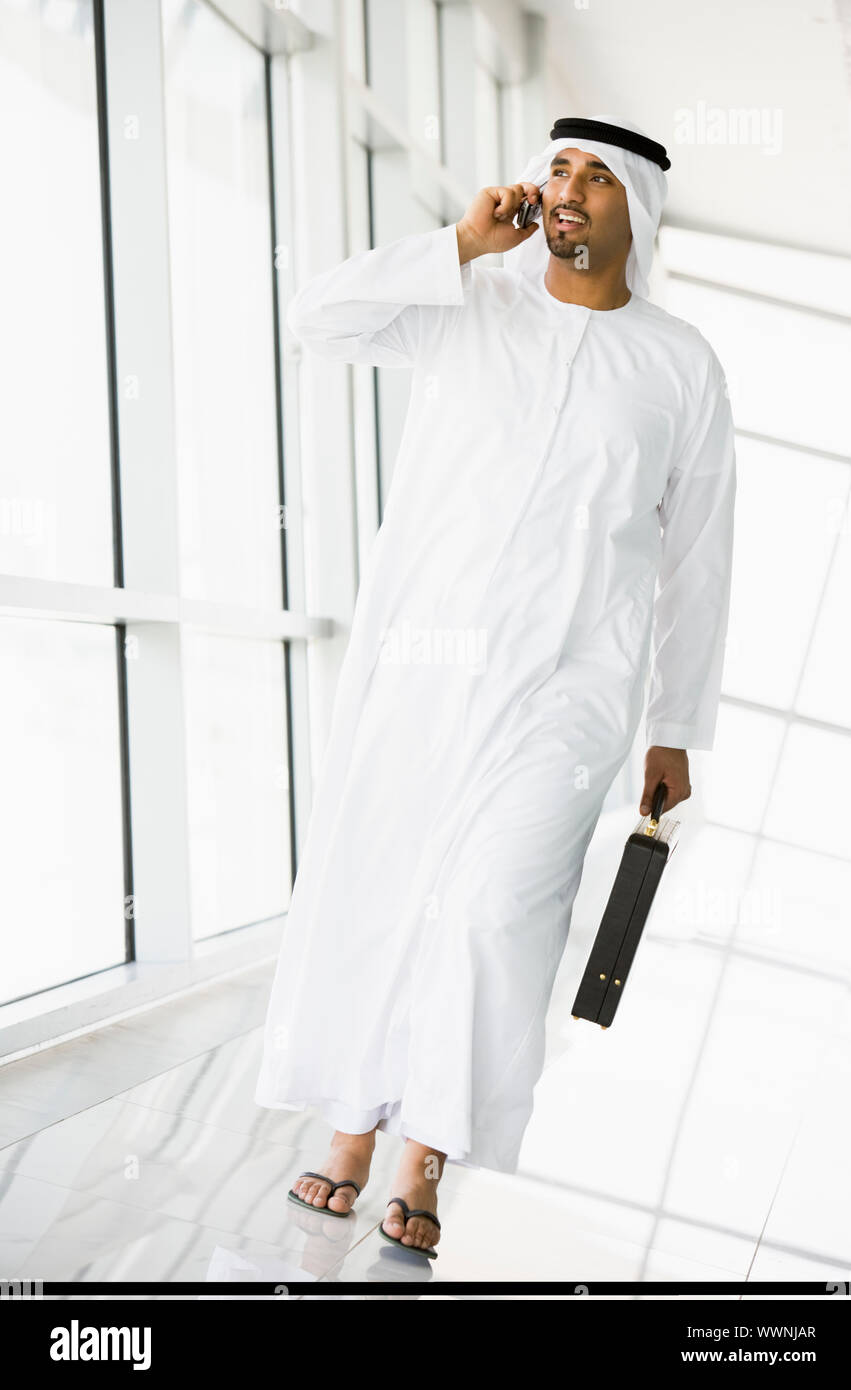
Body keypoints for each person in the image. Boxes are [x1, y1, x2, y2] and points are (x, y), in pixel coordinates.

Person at [254, 115, 737, 1259]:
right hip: (422, 671)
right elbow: (314, 318)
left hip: (571, 694)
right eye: (554, 168)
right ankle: (351, 1125)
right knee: (387, 882)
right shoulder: (469, 303)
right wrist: (455, 246)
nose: (564, 190)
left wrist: (674, 724)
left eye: (594, 178)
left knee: (489, 911)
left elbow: (697, 552)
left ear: (637, 212)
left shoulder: (677, 365)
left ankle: (428, 1148)